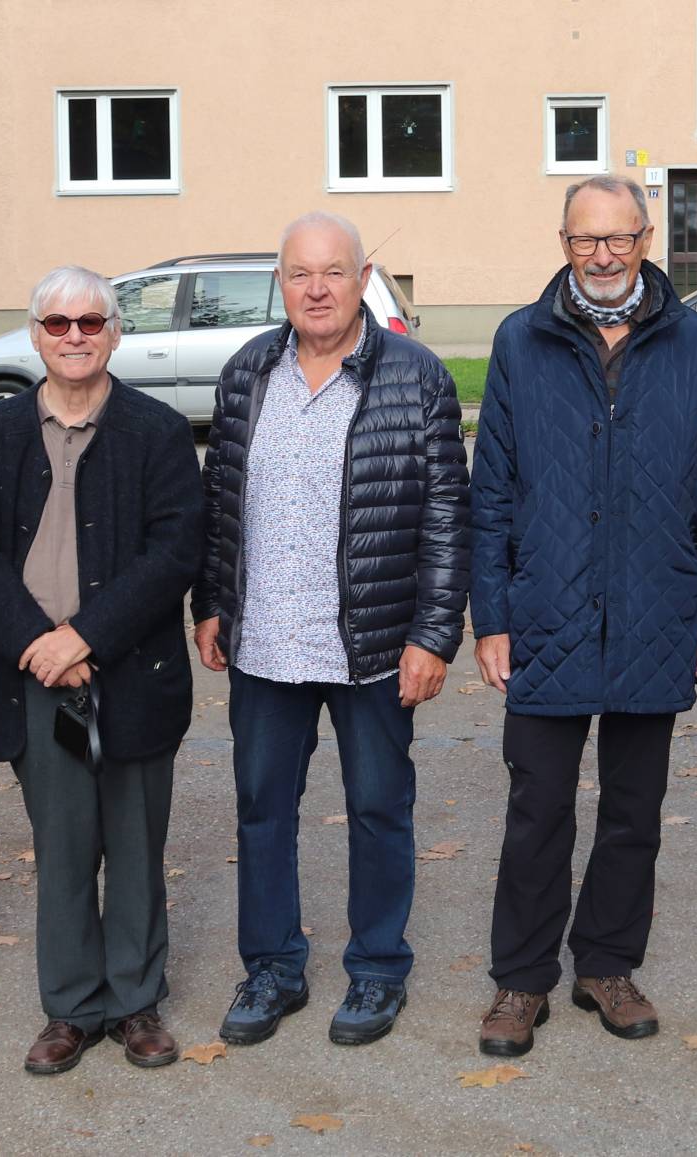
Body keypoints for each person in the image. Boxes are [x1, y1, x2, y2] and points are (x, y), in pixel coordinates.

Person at [470, 175, 697, 1057]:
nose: (603, 256)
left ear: (646, 237)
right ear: (563, 243)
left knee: (635, 808)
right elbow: (493, 489)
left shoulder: (693, 341)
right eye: (586, 241)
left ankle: (608, 965)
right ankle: (520, 980)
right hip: (546, 607)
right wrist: (492, 615)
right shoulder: (522, 338)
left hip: (658, 609)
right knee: (537, 805)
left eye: (618, 239)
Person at [193, 211, 469, 1049]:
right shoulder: (248, 372)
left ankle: (378, 967)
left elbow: (450, 515)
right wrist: (213, 601)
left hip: (376, 645)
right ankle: (272, 964)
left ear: (363, 278)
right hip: (266, 643)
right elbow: (221, 502)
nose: (316, 289)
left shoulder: (416, 376)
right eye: (299, 273)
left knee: (380, 807)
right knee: (261, 809)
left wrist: (433, 634)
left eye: (333, 272)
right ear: (281, 282)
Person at [0, 266, 204, 1075]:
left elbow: (175, 552)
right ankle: (71, 1007)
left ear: (115, 332)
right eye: (58, 324)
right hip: (31, 672)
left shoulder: (155, 431)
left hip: (132, 666)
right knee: (62, 844)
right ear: (36, 334)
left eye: (92, 322)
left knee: (133, 842)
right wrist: (33, 641)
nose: (76, 336)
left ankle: (134, 1001)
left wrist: (84, 635)